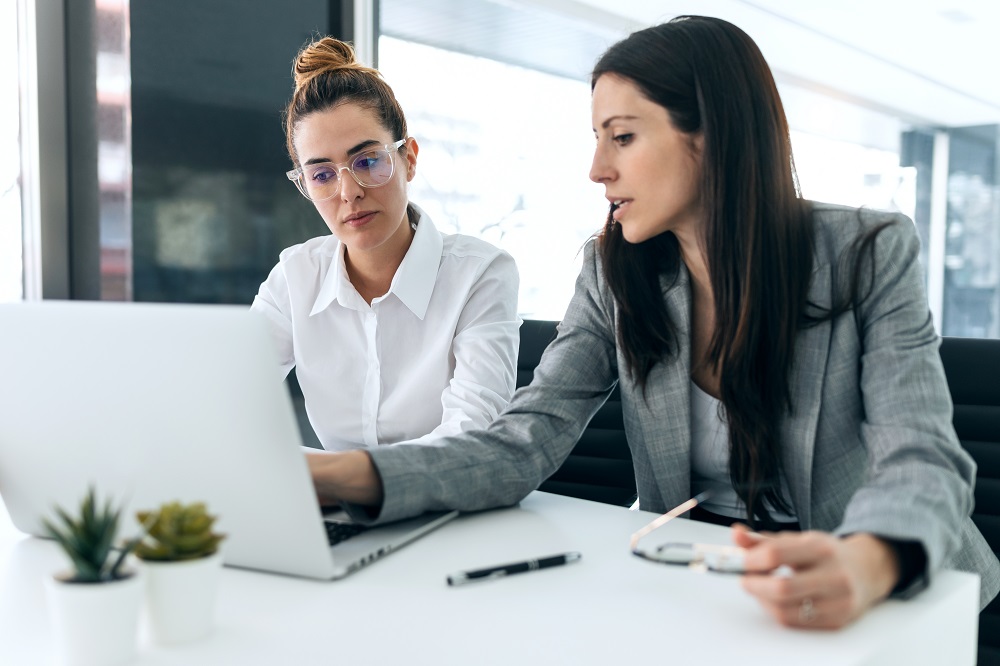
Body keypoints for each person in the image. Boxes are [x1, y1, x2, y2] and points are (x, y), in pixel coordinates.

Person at [305, 16, 1000, 627]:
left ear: (711, 138)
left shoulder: (867, 252)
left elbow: (924, 460)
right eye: (596, 138)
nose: (597, 169)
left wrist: (869, 563)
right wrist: (340, 475)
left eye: (623, 137)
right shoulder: (614, 271)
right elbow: (526, 439)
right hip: (703, 584)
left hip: (883, 590)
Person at [251, 37, 520, 451]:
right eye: (322, 175)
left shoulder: (479, 275)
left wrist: (330, 474)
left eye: (367, 161)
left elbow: (473, 437)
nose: (348, 192)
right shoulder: (295, 277)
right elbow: (227, 399)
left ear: (408, 159)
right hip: (335, 507)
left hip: (451, 509)